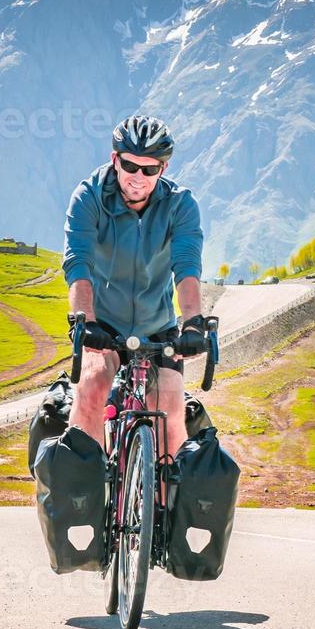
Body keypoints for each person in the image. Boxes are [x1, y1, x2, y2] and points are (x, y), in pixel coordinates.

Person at [61, 115, 205, 496]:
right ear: (114, 159)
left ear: (163, 168)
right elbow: (79, 264)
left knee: (171, 407)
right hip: (103, 324)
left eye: (149, 168)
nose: (137, 177)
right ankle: (86, 496)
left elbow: (186, 267)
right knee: (92, 387)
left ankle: (166, 507)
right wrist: (85, 322)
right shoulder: (89, 196)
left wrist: (193, 323)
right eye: (129, 165)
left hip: (157, 327)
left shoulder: (180, 205)